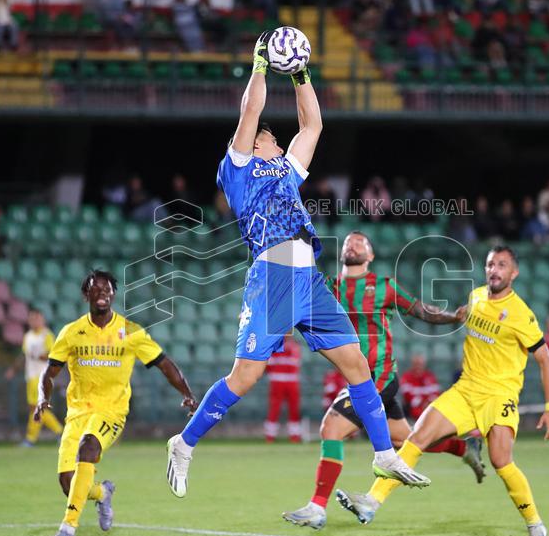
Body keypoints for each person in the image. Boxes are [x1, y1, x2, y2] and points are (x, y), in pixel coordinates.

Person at [164, 32, 429, 501]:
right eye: (268, 135)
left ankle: (384, 451)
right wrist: (262, 64)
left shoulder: (286, 169)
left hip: (309, 278)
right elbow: (250, 111)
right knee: (245, 377)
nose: (273, 136)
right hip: (273, 275)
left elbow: (313, 126)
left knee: (357, 366)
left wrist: (301, 72)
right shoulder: (239, 167)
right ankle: (184, 444)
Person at [335, 246, 549, 536]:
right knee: (417, 437)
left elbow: (545, 359)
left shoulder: (521, 314)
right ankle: (371, 502)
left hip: (499, 395)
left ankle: (534, 523)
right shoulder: (477, 297)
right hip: (466, 389)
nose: (494, 270)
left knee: (501, 460)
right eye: (490, 264)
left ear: (514, 273)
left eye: (502, 265)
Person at [282, 231, 476, 530]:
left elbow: (419, 310)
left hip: (379, 377)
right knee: (407, 439)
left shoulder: (384, 286)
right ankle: (465, 448)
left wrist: (452, 317)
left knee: (331, 428)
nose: (353, 244)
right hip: (357, 378)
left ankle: (317, 508)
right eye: (348, 242)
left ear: (370, 256)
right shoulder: (330, 287)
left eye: (360, 242)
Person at [40, 270, 197, 536]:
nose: (102, 293)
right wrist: (43, 396)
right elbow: (49, 372)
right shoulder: (71, 332)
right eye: (96, 289)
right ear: (85, 295)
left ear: (114, 295)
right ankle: (102, 493)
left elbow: (164, 362)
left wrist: (186, 393)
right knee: (68, 483)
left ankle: (67, 529)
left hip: (111, 412)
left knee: (88, 448)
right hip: (77, 414)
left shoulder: (130, 331)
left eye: (108, 289)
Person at [5, 309, 64, 447]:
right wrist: (13, 370)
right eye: (32, 319)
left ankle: (35, 437)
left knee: (36, 407)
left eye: (37, 318)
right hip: (31, 376)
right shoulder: (28, 336)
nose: (34, 321)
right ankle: (38, 436)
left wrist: (39, 356)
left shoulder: (47, 335)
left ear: (42, 320)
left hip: (43, 375)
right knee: (34, 408)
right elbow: (24, 356)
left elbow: (52, 354)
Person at [264, 332, 303, 443]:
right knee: (275, 408)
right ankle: (270, 435)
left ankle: (294, 435)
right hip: (280, 380)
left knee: (293, 408)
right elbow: (269, 365)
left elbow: (294, 364)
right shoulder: (278, 347)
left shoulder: (291, 347)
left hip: (289, 380)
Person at [400, 354, 441, 420]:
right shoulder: (406, 377)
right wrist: (422, 402)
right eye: (416, 364)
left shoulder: (430, 376)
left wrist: (428, 402)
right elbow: (407, 395)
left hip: (429, 405)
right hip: (414, 407)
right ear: (412, 364)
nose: (418, 366)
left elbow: (435, 392)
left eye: (420, 364)